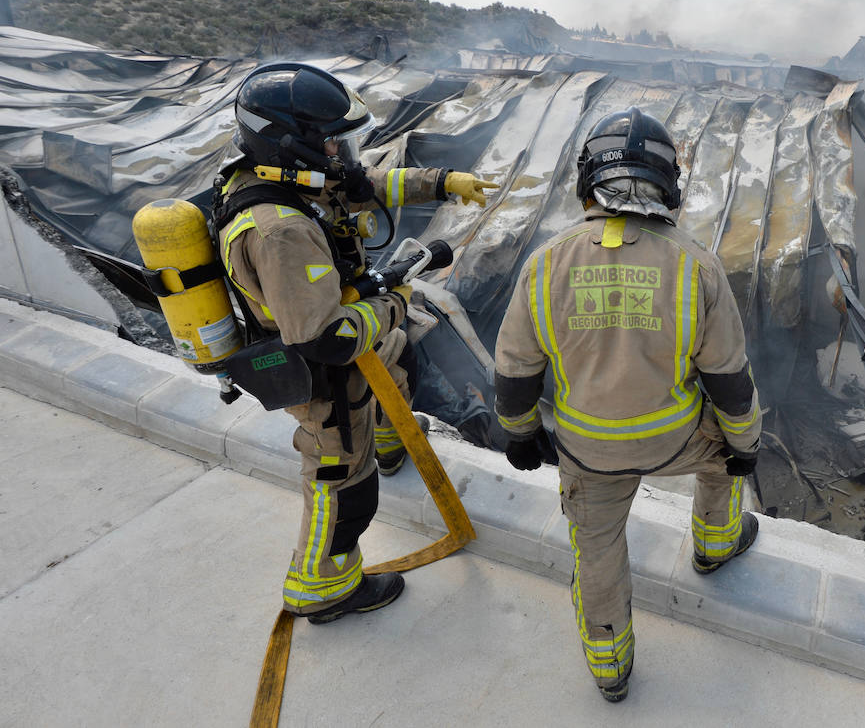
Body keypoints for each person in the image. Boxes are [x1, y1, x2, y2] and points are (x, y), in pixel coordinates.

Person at [493, 106, 762, 702]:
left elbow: (514, 371)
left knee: (597, 550)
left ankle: (611, 668)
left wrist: (519, 433)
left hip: (587, 451)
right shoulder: (697, 264)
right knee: (724, 457)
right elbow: (730, 381)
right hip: (676, 441)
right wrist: (745, 447)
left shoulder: (545, 264)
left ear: (588, 179)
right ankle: (715, 547)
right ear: (670, 184)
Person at [215, 61, 496, 623]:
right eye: (335, 142)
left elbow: (365, 188)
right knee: (341, 489)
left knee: (398, 362)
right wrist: (394, 299)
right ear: (294, 145)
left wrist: (442, 182)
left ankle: (387, 448)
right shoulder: (282, 231)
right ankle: (322, 587)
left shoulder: (280, 179)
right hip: (323, 376)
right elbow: (331, 339)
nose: (345, 154)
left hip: (344, 332)